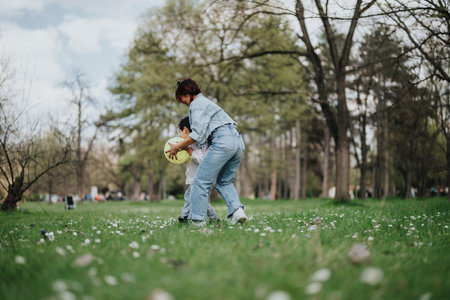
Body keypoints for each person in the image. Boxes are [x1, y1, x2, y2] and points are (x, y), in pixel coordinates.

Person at [166, 78, 247, 226]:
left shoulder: (196, 105)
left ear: (189, 93)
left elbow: (197, 134)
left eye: (182, 97)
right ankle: (238, 212)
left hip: (223, 142)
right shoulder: (209, 103)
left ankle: (197, 221)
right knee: (224, 181)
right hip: (238, 141)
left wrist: (177, 147)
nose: (181, 101)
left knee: (200, 181)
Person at [177, 116, 219, 224]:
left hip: (202, 178)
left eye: (179, 132)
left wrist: (189, 151)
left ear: (185, 130)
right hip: (193, 178)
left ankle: (214, 218)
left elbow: (203, 160)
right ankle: (184, 217)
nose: (179, 135)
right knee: (189, 197)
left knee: (201, 200)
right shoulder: (189, 144)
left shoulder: (199, 143)